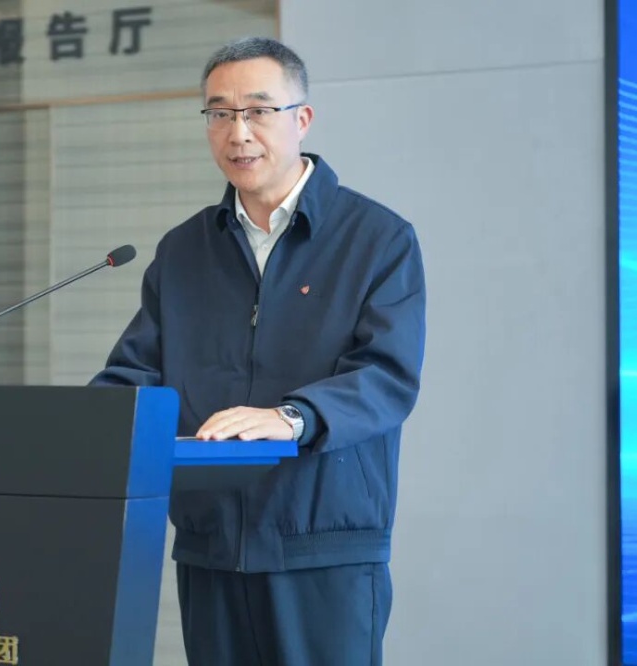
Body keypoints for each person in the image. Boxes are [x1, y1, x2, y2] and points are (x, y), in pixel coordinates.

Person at [91, 36, 426, 665]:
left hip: (322, 546)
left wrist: (289, 418)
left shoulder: (377, 239)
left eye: (258, 111)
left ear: (302, 118)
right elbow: (136, 371)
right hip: (211, 545)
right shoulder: (185, 250)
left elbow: (386, 377)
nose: (238, 132)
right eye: (220, 113)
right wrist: (83, 424)